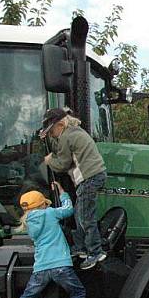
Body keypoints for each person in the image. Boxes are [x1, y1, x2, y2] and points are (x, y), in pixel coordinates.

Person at [6, 182, 86, 298]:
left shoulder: (27, 223)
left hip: (41, 268)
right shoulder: (49, 213)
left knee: (28, 296)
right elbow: (68, 209)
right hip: (60, 266)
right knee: (78, 293)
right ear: (43, 204)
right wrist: (63, 192)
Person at [41, 107, 108, 270]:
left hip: (88, 178)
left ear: (60, 125)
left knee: (85, 217)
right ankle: (81, 248)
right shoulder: (74, 132)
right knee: (79, 214)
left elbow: (62, 164)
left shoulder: (67, 137)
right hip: (94, 176)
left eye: (51, 131)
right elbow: (60, 150)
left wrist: (48, 161)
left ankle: (95, 252)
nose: (51, 134)